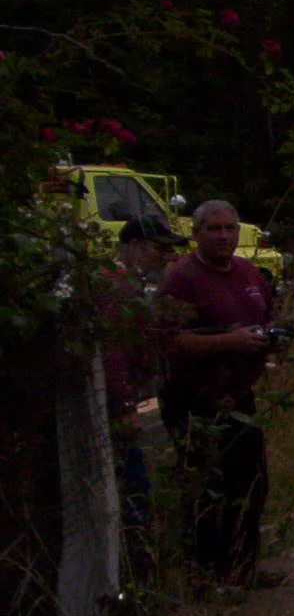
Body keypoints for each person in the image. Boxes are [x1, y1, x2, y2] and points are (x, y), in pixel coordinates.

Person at [158, 199, 280, 589]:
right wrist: (231, 341)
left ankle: (244, 568)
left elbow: (266, 319)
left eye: (230, 228)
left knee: (251, 483)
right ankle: (206, 577)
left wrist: (275, 339)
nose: (223, 236)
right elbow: (169, 343)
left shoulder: (247, 272)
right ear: (196, 234)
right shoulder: (182, 278)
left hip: (239, 396)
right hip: (195, 398)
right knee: (206, 490)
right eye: (213, 229)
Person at [102, 215, 181, 578]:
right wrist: (126, 407)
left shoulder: (128, 285)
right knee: (133, 490)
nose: (165, 257)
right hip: (118, 408)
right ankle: (137, 575)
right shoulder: (117, 287)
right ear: (134, 246)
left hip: (127, 400)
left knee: (135, 486)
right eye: (159, 248)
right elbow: (114, 351)